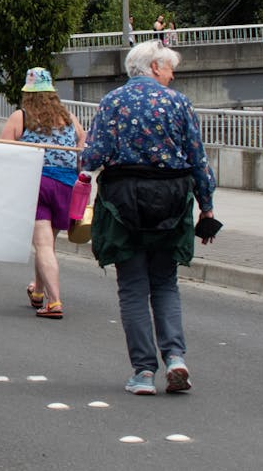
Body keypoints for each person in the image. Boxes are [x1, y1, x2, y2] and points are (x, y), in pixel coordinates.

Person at [80, 40, 216, 397]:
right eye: (169, 67)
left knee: (133, 287)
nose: (172, 75)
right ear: (154, 67)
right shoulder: (178, 102)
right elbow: (197, 157)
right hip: (172, 198)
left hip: (124, 201)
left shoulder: (112, 102)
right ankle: (175, 356)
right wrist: (207, 205)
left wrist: (86, 158)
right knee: (166, 282)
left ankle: (143, 371)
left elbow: (93, 156)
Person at [1, 67, 86, 319]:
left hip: (37, 184)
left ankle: (55, 301)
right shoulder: (70, 118)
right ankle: (38, 291)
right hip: (66, 186)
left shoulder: (21, 117)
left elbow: (5, 151)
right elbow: (82, 144)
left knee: (42, 244)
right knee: (47, 243)